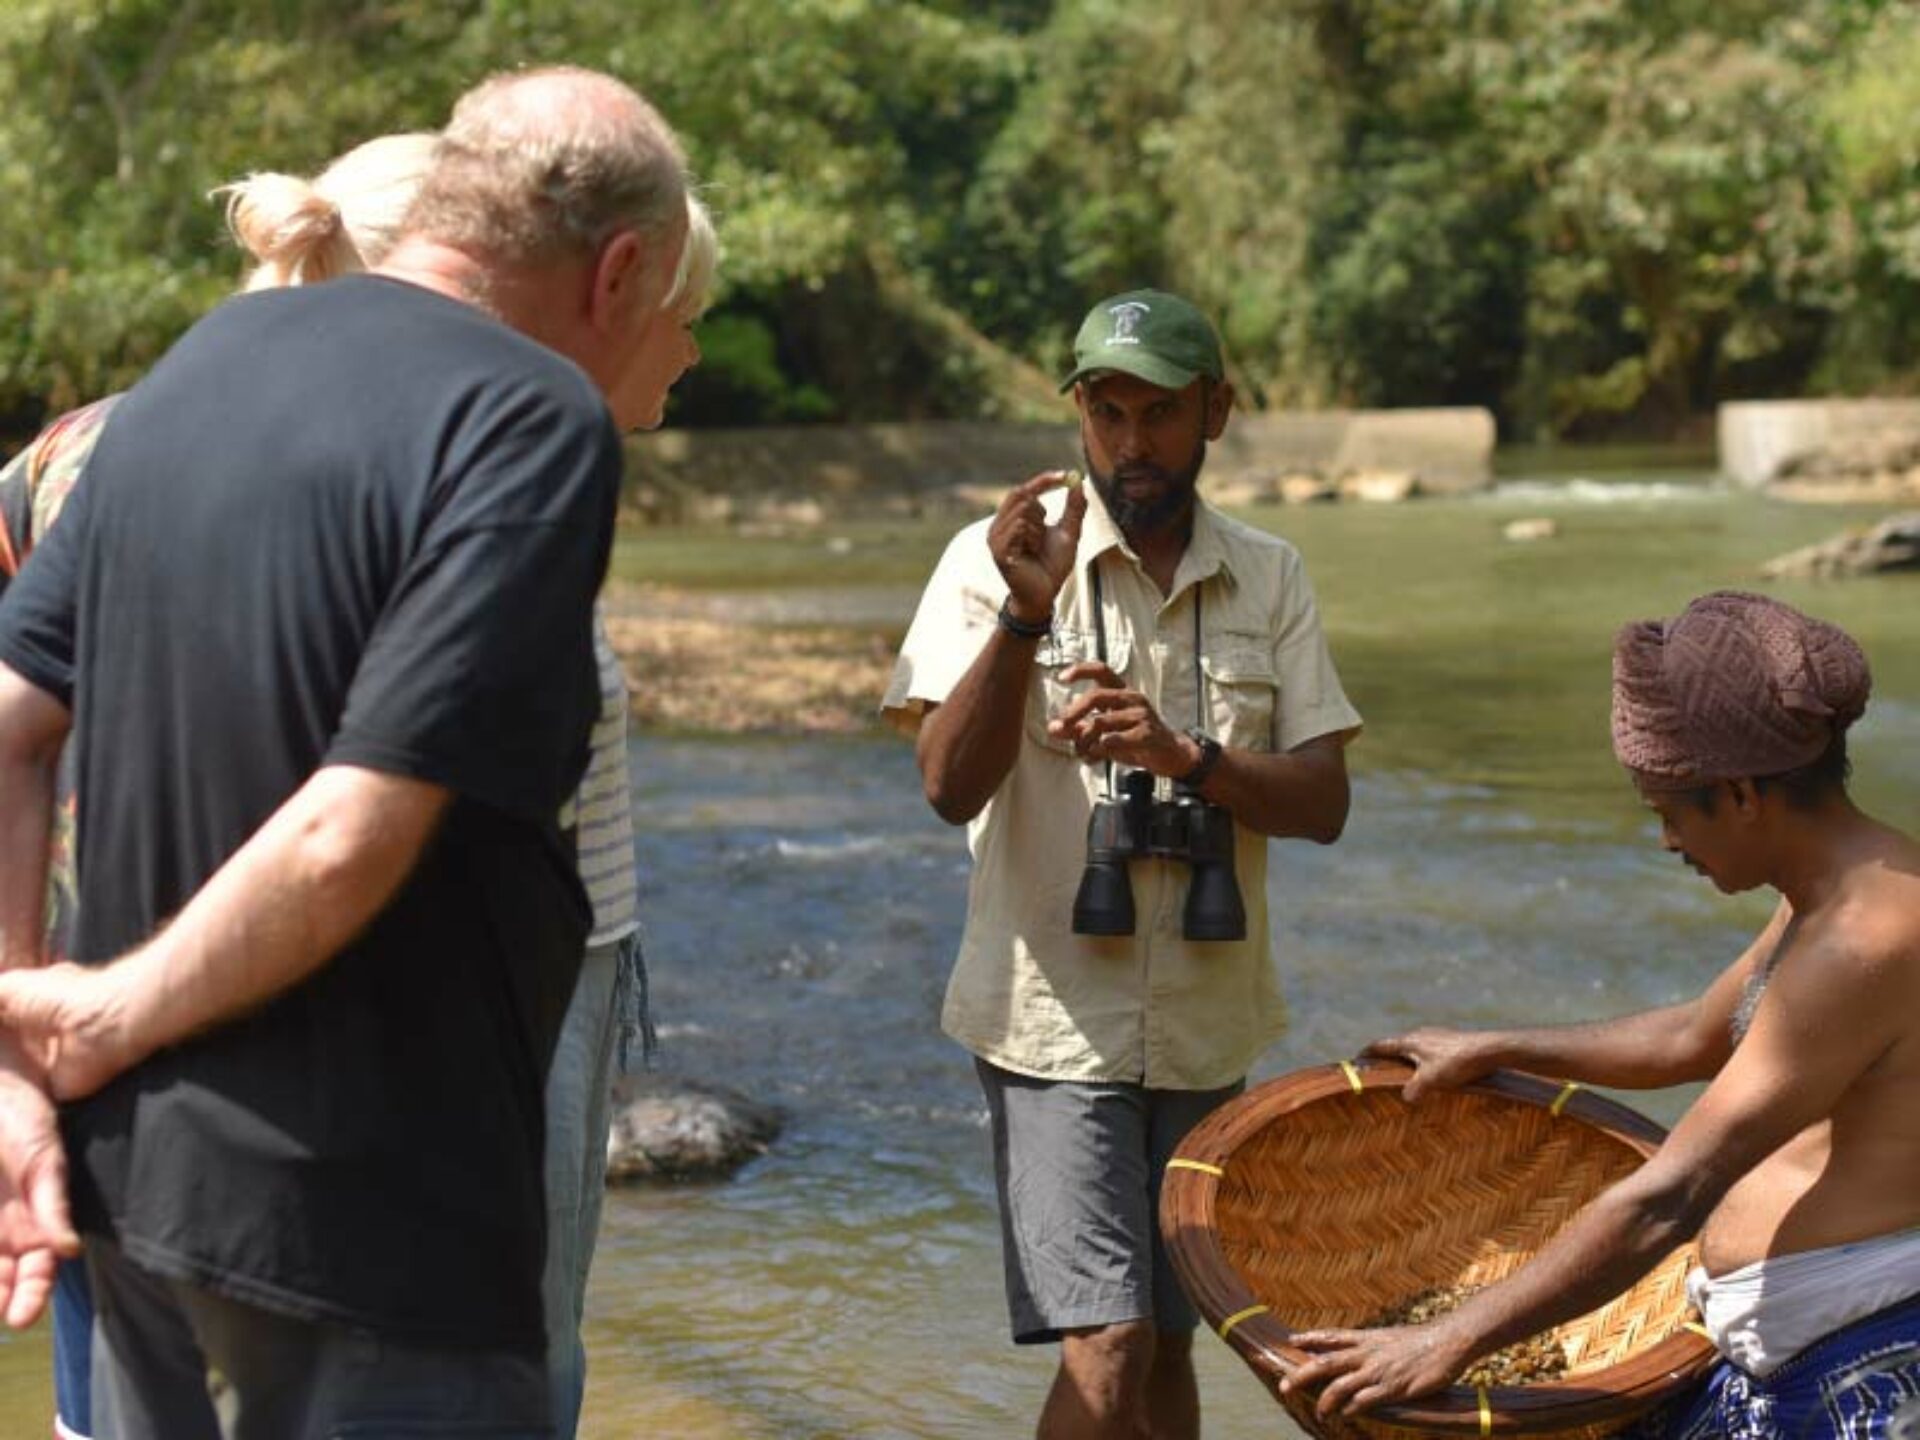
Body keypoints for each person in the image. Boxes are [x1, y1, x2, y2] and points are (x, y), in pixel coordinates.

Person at [0, 64, 691, 1439]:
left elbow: (8, 735)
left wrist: (17, 1051)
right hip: (374, 1221)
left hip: (134, 1195)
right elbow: (348, 831)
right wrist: (91, 1018)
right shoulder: (528, 416)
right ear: (615, 273)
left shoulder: (195, 368)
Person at [0, 128, 440, 1440]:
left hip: (70, 986)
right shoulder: (405, 449)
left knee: (109, 1371)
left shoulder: (74, 448)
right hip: (284, 996)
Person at [882, 288, 1362, 1439]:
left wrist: (1186, 756)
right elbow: (949, 783)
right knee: (1106, 1344)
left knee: (1168, 1348)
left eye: (1160, 414)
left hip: (1205, 1019)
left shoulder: (1270, 574)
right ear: (1079, 415)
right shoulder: (993, 559)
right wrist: (1021, 620)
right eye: (1107, 413)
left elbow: (1326, 803)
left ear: (1219, 412)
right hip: (1049, 1016)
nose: (1132, 443)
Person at [1282, 590, 1920, 1439]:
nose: (1667, 844)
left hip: (1857, 1361)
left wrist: (1448, 1337)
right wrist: (1500, 1046)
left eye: (1667, 812)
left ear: (1738, 794)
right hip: (1778, 1346)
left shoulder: (1866, 938)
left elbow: (1672, 1194)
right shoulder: (1832, 894)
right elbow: (1697, 1034)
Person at [542, 189, 714, 1440]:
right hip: (538, 964)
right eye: (687, 315)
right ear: (617, 294)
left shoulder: (561, 464)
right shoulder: (534, 462)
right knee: (528, 1319)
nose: (699, 351)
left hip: (579, 949)